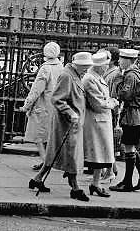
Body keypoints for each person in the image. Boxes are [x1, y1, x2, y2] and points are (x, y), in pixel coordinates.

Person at [29, 51, 94, 201]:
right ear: (76, 64)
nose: (86, 69)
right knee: (71, 156)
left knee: (56, 154)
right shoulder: (67, 75)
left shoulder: (75, 74)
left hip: (73, 123)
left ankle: (37, 179)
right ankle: (75, 188)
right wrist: (70, 113)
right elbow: (57, 99)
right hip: (66, 124)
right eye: (84, 66)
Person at [111, 48, 140, 192]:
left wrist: (117, 82)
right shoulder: (134, 73)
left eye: (122, 59)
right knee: (130, 147)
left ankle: (128, 182)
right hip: (135, 115)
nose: (119, 62)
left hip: (133, 116)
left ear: (129, 60)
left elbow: (125, 95)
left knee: (129, 148)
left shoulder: (130, 76)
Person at [19, 41, 63, 170]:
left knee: (38, 137)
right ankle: (48, 161)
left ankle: (45, 162)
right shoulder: (61, 67)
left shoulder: (45, 68)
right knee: (49, 137)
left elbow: (37, 89)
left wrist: (27, 105)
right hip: (56, 106)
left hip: (43, 106)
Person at [83, 51, 119, 197]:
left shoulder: (96, 77)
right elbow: (98, 104)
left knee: (101, 155)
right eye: (105, 65)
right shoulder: (90, 79)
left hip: (101, 121)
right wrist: (113, 102)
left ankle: (95, 183)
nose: (106, 68)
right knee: (98, 154)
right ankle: (94, 184)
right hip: (96, 121)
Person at [101, 46, 122, 182]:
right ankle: (110, 169)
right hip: (107, 110)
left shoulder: (115, 74)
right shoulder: (109, 72)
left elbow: (114, 96)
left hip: (110, 111)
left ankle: (109, 171)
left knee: (108, 142)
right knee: (106, 142)